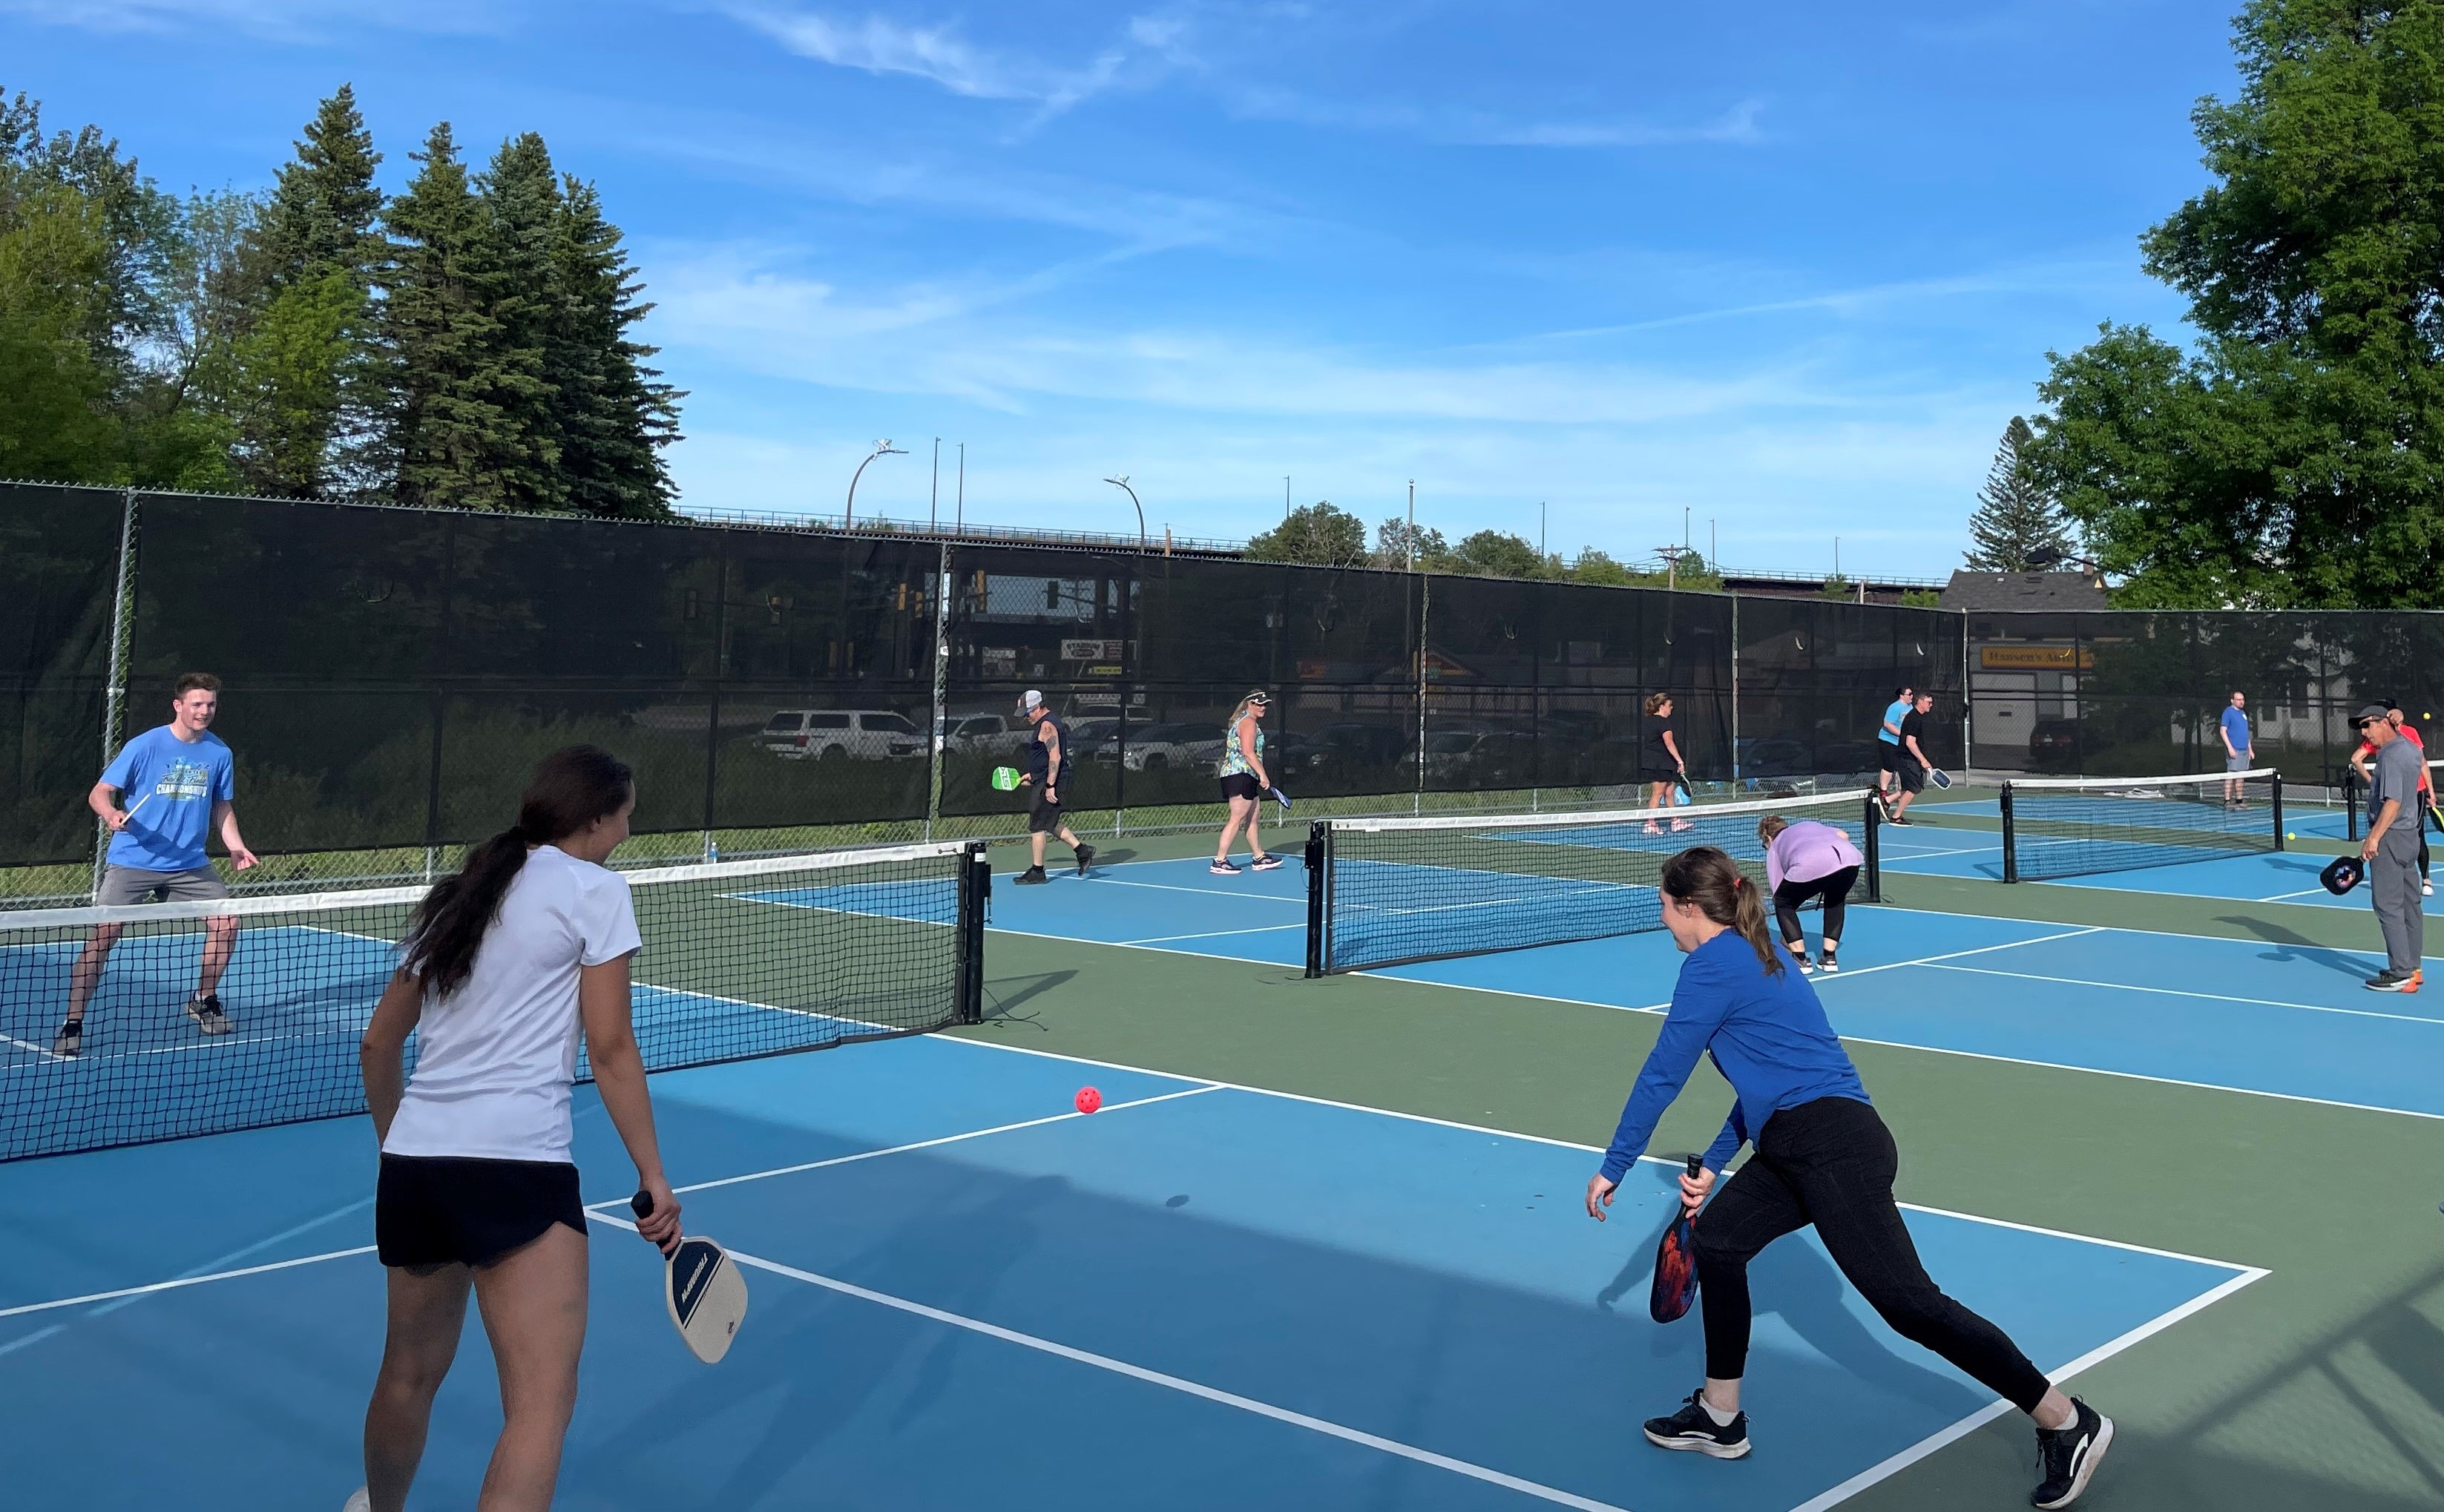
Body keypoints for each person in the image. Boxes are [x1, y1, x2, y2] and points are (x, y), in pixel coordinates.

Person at [1583, 847, 2112, 1509]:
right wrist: (1716, 1160)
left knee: (1910, 1305)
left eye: (1664, 905)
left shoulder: (1710, 967)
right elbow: (1768, 1078)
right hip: (1804, 1137)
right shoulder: (1762, 950)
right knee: (1718, 1243)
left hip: (1829, 1146)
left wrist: (1616, 1165)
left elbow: (1664, 1073)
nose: (1662, 918)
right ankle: (1721, 1416)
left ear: (1689, 908)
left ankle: (2067, 1422)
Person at [351, 746, 682, 1512]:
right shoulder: (595, 891)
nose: (629, 830)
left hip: (416, 1168)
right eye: (626, 814)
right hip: (516, 1169)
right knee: (539, 1408)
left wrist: (397, 1145)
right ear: (595, 819)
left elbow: (377, 1044)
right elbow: (610, 1047)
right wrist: (652, 1175)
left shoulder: (459, 895)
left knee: (406, 1373)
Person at [53, 671, 260, 1057]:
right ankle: (73, 1021)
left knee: (227, 923)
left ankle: (204, 997)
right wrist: (112, 815)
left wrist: (235, 846)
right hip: (134, 859)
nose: (204, 711)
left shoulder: (219, 753)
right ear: (178, 705)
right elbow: (100, 793)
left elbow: (221, 805)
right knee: (104, 936)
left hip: (189, 863)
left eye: (211, 704)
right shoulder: (144, 746)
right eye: (197, 704)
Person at [2355, 706, 2425, 993]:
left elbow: (2393, 802)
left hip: (2391, 836)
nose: (2364, 733)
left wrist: (2374, 838)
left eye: (2367, 726)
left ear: (2383, 723)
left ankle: (2401, 972)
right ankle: (2413, 968)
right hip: (2410, 836)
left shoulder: (2391, 756)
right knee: (2411, 904)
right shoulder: (2410, 749)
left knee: (2388, 906)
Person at [1759, 814, 1862, 973]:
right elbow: (1844, 835)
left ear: (1768, 838)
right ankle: (1829, 957)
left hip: (1812, 864)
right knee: (1835, 899)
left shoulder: (1775, 846)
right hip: (1851, 860)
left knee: (1782, 902)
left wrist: (1788, 927)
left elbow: (1778, 892)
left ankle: (1800, 958)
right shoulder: (1808, 824)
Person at [2351, 702, 2432, 897]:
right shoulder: (2375, 736)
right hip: (2399, 797)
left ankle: (2425, 879)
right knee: (2405, 837)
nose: (2364, 731)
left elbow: (2421, 762)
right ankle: (2417, 880)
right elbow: (2356, 759)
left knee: (2414, 836)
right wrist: (2375, 782)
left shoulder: (2408, 733)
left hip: (2415, 792)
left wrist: (2430, 790)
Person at [1013, 690, 1093, 884]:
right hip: (1045, 778)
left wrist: (1049, 786)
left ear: (1038, 707)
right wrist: (1033, 776)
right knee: (1047, 822)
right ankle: (1083, 851)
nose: (1026, 717)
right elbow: (1044, 758)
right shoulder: (1044, 723)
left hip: (1053, 781)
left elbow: (1055, 757)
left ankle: (1038, 871)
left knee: (1037, 826)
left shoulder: (1048, 725)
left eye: (1027, 712)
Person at [1212, 690, 1284, 876]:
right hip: (1240, 775)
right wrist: (1263, 775)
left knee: (1252, 817)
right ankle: (1220, 861)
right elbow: (1248, 752)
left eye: (1265, 704)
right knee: (1237, 819)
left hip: (1245, 775)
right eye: (1258, 704)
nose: (1262, 708)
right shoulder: (1248, 723)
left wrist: (1257, 775)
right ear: (1248, 704)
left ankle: (1259, 857)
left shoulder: (1247, 722)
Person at [1640, 691, 1692, 834]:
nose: (1671, 708)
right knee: (1658, 793)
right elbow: (1669, 743)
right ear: (1662, 706)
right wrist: (1680, 761)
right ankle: (1650, 823)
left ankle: (1675, 821)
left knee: (1669, 791)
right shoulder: (1663, 722)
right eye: (1670, 706)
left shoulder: (1649, 721)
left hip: (1661, 762)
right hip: (1658, 763)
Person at [1885, 691, 1937, 825]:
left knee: (1911, 786)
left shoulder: (1915, 717)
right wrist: (1923, 760)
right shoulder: (1915, 718)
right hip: (1906, 758)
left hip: (1907, 758)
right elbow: (1910, 742)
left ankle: (1887, 800)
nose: (1931, 705)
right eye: (1928, 702)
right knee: (1914, 788)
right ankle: (1896, 817)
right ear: (1920, 702)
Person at [1873, 685, 1912, 817]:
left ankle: (1888, 799)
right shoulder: (1895, 707)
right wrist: (1901, 735)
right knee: (1889, 767)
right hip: (1887, 740)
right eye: (1909, 694)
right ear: (1902, 695)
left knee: (1902, 770)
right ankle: (1883, 793)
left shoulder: (1911, 708)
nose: (1912, 696)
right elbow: (1887, 724)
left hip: (1902, 744)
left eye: (1912, 694)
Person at [2219, 691, 2255, 808]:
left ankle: (2239, 801)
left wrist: (2250, 749)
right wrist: (2230, 748)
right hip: (2234, 749)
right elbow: (2223, 731)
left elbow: (2245, 733)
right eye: (2239, 699)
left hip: (2244, 750)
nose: (2241, 701)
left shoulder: (2243, 714)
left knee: (2241, 776)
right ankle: (2227, 801)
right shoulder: (2228, 712)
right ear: (2232, 700)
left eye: (2243, 699)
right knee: (2231, 775)